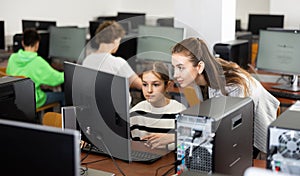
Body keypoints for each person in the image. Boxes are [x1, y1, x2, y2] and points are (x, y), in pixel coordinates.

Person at [171, 37, 280, 156]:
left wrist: (174, 138)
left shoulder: (232, 88)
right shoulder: (195, 81)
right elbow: (201, 119)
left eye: (181, 68)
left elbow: (226, 132)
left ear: (200, 67)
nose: (175, 75)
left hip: (252, 134)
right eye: (174, 67)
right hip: (230, 133)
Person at [130, 62, 186, 150]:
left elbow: (186, 145)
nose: (149, 90)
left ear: (168, 85)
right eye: (145, 84)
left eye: (155, 85)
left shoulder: (180, 112)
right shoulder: (134, 113)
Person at [6, 28, 64, 109]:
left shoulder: (13, 58)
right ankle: (62, 120)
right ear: (37, 44)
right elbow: (56, 80)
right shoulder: (38, 62)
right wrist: (69, 73)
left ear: (23, 43)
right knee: (64, 95)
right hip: (34, 101)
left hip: (16, 99)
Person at [82, 20, 142, 89]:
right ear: (115, 40)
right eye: (119, 41)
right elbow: (139, 85)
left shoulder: (87, 59)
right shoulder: (118, 63)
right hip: (118, 99)